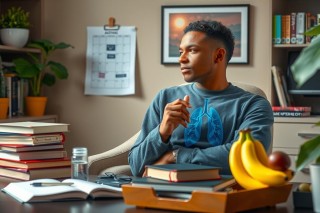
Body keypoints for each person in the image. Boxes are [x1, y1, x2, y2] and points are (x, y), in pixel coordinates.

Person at [128, 20, 274, 176]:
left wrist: (175, 156)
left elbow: (247, 157)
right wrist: (162, 132)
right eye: (180, 52)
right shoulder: (165, 98)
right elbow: (136, 166)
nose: (181, 59)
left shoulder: (253, 105)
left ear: (218, 56)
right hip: (160, 194)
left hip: (221, 193)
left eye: (192, 50)